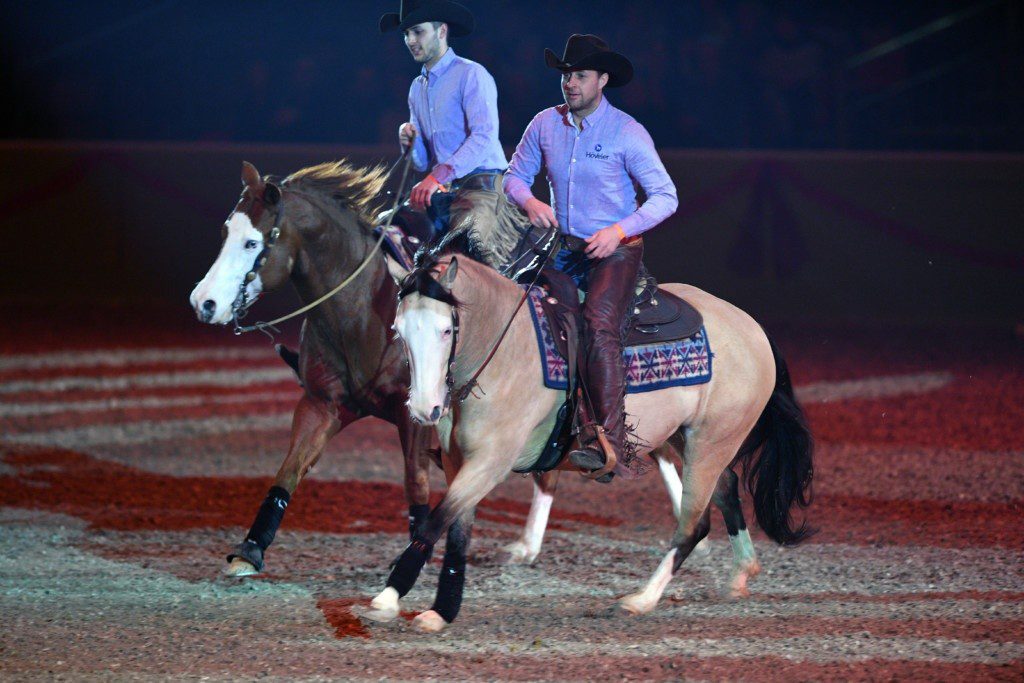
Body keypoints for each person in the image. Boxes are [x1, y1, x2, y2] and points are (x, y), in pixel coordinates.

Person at [504, 34, 678, 481]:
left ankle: (608, 443)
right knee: (511, 301)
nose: (570, 83)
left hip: (615, 252)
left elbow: (665, 196)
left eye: (580, 75)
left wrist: (619, 230)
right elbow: (515, 177)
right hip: (563, 246)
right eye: (566, 75)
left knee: (599, 323)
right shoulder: (544, 123)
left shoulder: (626, 132)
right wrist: (529, 203)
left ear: (602, 80)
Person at [380, 0, 509, 244]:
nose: (410, 40)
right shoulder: (417, 88)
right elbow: (420, 162)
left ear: (441, 31)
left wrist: (436, 176)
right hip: (442, 191)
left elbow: (484, 136)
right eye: (406, 34)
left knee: (469, 248)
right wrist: (409, 141)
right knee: (389, 230)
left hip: (482, 187)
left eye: (418, 31)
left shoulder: (471, 74)